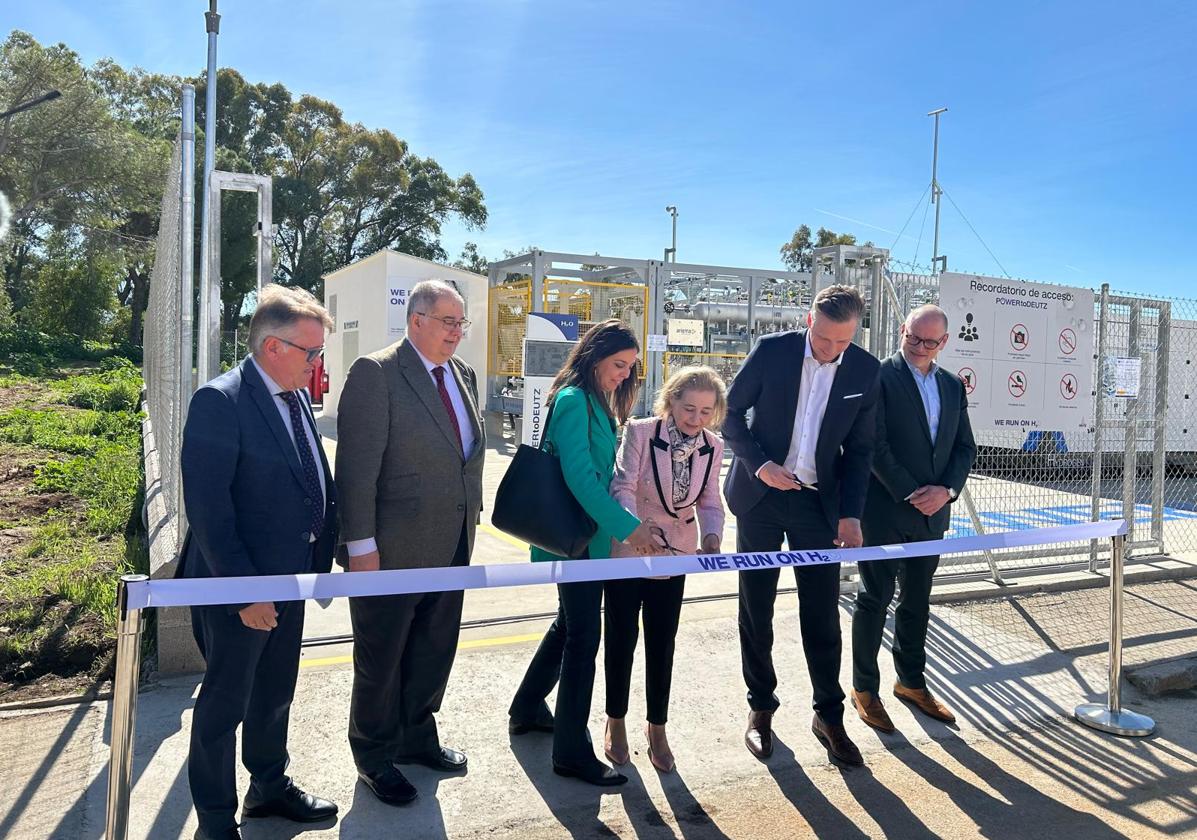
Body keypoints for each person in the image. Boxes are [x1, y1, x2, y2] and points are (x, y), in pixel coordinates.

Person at [179, 285, 338, 840]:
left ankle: (268, 788)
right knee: (224, 705)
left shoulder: (293, 397)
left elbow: (310, 480)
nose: (318, 364)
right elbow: (209, 511)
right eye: (311, 353)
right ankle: (217, 821)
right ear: (273, 346)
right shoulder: (219, 402)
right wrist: (247, 593)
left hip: (290, 580)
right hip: (238, 589)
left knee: (275, 693)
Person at [335, 279, 485, 806]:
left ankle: (417, 736)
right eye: (448, 322)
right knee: (381, 658)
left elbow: (464, 454)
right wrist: (360, 547)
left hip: (452, 543)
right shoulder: (376, 373)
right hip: (390, 550)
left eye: (461, 323)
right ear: (416, 320)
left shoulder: (461, 374)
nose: (457, 333)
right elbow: (355, 471)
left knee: (433, 649)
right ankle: (374, 755)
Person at [722, 284, 880, 768]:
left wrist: (850, 514)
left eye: (843, 342)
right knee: (757, 608)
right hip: (762, 497)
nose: (832, 351)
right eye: (825, 338)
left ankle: (829, 715)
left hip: (818, 506)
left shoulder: (865, 370)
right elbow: (728, 415)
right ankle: (761, 708)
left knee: (821, 614)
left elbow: (860, 450)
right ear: (809, 320)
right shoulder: (772, 352)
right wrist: (760, 464)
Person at [507, 319, 658, 787]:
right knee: (582, 640)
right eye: (618, 365)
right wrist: (630, 530)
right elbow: (579, 479)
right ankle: (571, 751)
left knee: (569, 625)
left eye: (630, 367)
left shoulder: (594, 400)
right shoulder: (574, 401)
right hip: (577, 541)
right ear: (594, 356)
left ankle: (528, 707)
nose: (622, 374)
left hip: (583, 540)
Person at [851, 304, 976, 732]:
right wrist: (910, 491)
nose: (919, 348)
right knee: (874, 599)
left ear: (944, 343)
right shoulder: (878, 376)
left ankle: (911, 683)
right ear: (902, 330)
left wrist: (946, 492)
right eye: (912, 338)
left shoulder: (952, 385)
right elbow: (873, 444)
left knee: (917, 602)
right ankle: (865, 688)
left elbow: (964, 447)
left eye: (929, 342)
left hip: (932, 515)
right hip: (884, 510)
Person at [603, 366, 727, 774]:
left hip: (677, 554)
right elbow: (622, 487)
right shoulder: (640, 432)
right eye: (688, 408)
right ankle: (615, 719)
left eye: (705, 411)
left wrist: (711, 537)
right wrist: (633, 530)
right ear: (670, 401)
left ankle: (657, 727)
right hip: (630, 546)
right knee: (621, 637)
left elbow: (709, 501)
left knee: (662, 642)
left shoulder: (714, 446)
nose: (695, 418)